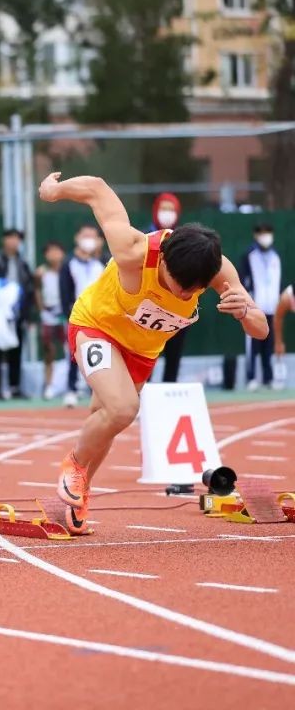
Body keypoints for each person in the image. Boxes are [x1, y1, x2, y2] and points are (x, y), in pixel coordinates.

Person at [39, 172, 267, 535]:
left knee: (105, 419)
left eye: (195, 290)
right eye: (180, 287)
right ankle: (74, 464)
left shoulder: (216, 269)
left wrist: (246, 311)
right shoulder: (133, 250)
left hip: (142, 350)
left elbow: (261, 330)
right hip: (95, 326)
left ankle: (78, 492)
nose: (184, 296)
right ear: (164, 262)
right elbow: (98, 189)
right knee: (123, 409)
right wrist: (54, 191)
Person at [0, 228, 35, 399]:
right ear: (4, 240)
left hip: (17, 313)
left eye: (17, 239)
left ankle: (14, 386)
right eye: (10, 238)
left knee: (16, 351)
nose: (14, 242)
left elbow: (29, 289)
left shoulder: (23, 263)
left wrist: (27, 314)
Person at [58, 224, 106, 407]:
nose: (89, 240)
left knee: (101, 353)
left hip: (100, 315)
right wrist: (66, 314)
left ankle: (99, 390)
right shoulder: (69, 263)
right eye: (85, 236)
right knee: (74, 352)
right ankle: (71, 389)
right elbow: (64, 290)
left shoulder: (103, 261)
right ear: (77, 238)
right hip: (77, 315)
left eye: (92, 236)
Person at [149, 192, 189, 382]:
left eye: (171, 210)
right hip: (150, 308)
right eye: (163, 209)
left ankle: (169, 395)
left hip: (177, 309)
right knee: (145, 357)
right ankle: (140, 399)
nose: (167, 214)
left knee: (173, 358)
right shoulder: (145, 237)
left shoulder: (185, 239)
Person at [239, 223, 282, 391]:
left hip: (273, 308)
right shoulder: (249, 255)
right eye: (262, 234)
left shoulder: (275, 256)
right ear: (256, 235)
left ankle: (268, 378)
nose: (266, 237)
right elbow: (242, 281)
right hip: (254, 308)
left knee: (268, 345)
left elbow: (278, 282)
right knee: (253, 344)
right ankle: (251, 377)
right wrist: (248, 302)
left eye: (268, 233)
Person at [35, 241, 66, 400]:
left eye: (57, 250)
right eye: (50, 251)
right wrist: (42, 310)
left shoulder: (67, 269)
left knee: (72, 350)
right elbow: (37, 291)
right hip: (49, 313)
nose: (54, 255)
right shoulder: (41, 272)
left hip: (67, 313)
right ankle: (49, 384)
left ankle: (73, 384)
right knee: (49, 350)